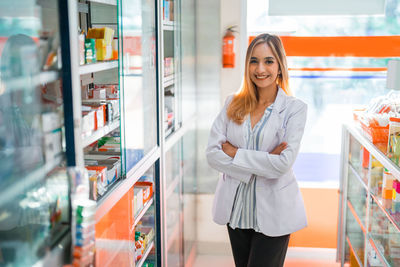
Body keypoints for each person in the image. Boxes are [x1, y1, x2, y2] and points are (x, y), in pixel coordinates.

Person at [206, 33, 308, 267]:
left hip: (275, 213)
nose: (260, 68)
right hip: (236, 211)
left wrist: (235, 154)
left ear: (280, 66)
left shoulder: (294, 109)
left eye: (269, 61)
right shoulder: (233, 103)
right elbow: (212, 154)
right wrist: (263, 162)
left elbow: (283, 164)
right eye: (254, 61)